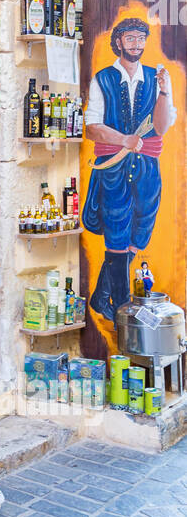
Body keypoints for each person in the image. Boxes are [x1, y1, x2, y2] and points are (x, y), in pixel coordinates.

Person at [82, 17, 175, 320]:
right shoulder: (103, 78)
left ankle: (99, 297)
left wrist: (164, 92)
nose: (136, 44)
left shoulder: (156, 77)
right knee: (117, 232)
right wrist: (125, 139)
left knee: (140, 231)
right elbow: (92, 128)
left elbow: (160, 128)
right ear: (119, 42)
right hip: (113, 171)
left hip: (148, 169)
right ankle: (123, 310)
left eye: (141, 38)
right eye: (130, 38)